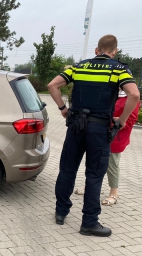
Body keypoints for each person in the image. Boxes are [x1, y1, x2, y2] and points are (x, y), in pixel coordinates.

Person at [47, 34, 140, 237]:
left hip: (75, 126)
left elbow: (52, 85)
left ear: (97, 50)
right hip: (99, 129)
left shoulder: (79, 66)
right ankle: (89, 222)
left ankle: (61, 213)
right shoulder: (118, 69)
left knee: (67, 170)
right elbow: (134, 94)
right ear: (115, 51)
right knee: (94, 175)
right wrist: (122, 120)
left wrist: (63, 108)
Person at [74, 89, 140, 206]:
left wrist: (106, 122)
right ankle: (89, 186)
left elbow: (130, 120)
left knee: (112, 164)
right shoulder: (108, 92)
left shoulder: (130, 98)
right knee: (93, 161)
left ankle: (114, 192)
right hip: (98, 134)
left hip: (115, 136)